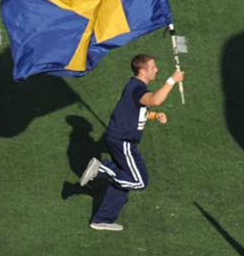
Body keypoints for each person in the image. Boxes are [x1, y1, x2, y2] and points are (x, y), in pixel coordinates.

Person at [78, 54, 183, 232]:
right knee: (139, 181)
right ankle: (102, 169)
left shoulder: (136, 87)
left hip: (119, 139)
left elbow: (137, 112)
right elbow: (155, 100)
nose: (156, 69)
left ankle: (103, 219)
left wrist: (155, 116)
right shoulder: (137, 88)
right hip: (123, 142)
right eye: (153, 67)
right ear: (142, 71)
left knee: (123, 182)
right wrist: (172, 80)